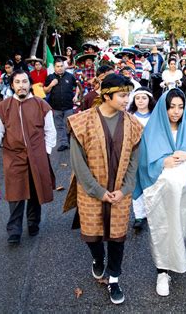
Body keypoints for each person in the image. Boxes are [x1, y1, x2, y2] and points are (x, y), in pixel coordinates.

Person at [64, 73, 143, 305]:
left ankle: (114, 279)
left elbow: (134, 162)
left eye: (128, 94)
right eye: (122, 95)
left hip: (120, 193)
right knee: (93, 236)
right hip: (91, 192)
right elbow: (78, 164)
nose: (126, 99)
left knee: (118, 239)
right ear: (106, 96)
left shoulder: (133, 125)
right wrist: (98, 191)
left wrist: (125, 188)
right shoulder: (82, 122)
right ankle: (98, 259)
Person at [134, 88, 186, 297]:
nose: (176, 112)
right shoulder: (152, 130)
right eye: (171, 107)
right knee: (162, 227)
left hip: (181, 193)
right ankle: (162, 271)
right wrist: (163, 161)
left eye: (180, 107)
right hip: (160, 190)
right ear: (163, 108)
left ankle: (175, 261)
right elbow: (143, 161)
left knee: (178, 226)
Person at [0, 69, 56, 244]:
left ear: (30, 84)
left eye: (24, 82)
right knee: (16, 194)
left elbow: (50, 131)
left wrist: (45, 152)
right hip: (13, 156)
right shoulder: (3, 107)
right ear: (12, 85)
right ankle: (14, 231)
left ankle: (33, 224)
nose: (21, 86)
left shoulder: (41, 105)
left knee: (35, 192)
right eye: (17, 82)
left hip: (37, 155)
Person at [127, 87, 155, 231]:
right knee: (136, 185)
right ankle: (139, 216)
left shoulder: (156, 117)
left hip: (152, 156)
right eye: (137, 98)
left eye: (144, 98)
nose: (140, 101)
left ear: (149, 99)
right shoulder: (129, 116)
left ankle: (151, 213)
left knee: (151, 184)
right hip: (135, 156)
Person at [44, 58, 79, 151]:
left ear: (64, 66)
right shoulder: (50, 77)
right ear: (54, 67)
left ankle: (72, 142)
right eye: (58, 66)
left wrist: (76, 95)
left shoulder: (70, 76)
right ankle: (64, 143)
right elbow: (45, 90)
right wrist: (51, 84)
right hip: (55, 107)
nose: (60, 68)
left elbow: (78, 86)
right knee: (59, 126)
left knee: (69, 125)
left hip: (68, 106)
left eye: (61, 66)